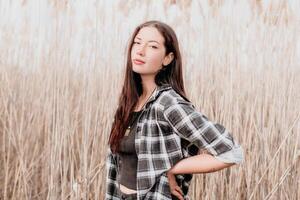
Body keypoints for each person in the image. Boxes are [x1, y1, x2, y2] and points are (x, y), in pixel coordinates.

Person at [105, 20, 244, 200]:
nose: (140, 50)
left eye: (152, 46)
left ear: (167, 58)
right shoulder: (128, 103)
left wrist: (171, 168)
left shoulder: (167, 104)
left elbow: (231, 152)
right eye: (137, 42)